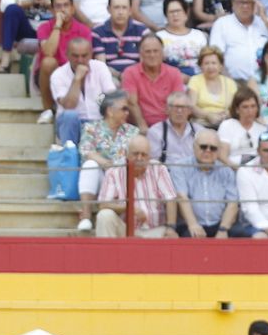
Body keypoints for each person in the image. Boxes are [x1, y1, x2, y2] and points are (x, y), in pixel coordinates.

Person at [74, 87, 138, 232]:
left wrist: (115, 168)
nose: (127, 113)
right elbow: (86, 150)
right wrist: (107, 164)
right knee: (90, 165)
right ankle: (86, 214)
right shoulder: (91, 128)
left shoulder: (132, 131)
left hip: (122, 179)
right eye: (124, 109)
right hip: (101, 177)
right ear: (110, 111)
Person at [94, 134, 179, 237]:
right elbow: (103, 204)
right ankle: (106, 253)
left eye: (144, 155)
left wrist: (170, 228)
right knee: (104, 215)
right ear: (126, 154)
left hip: (154, 231)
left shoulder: (159, 169)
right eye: (135, 154)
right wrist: (130, 208)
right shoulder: (114, 172)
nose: (139, 158)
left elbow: (171, 199)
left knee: (171, 236)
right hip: (124, 230)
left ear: (149, 157)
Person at [173, 129, 245, 237]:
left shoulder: (227, 171)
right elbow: (182, 197)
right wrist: (193, 225)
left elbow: (232, 203)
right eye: (203, 147)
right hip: (190, 224)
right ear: (194, 147)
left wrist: (223, 229)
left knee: (244, 238)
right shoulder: (180, 167)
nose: (208, 151)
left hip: (220, 224)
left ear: (218, 151)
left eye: (213, 148)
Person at [52, 34, 120, 147]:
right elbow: (69, 105)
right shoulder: (58, 75)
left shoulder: (100, 68)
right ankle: (70, 155)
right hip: (72, 124)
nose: (80, 60)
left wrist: (99, 101)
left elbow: (111, 97)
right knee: (70, 115)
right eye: (75, 56)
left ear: (91, 54)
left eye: (84, 56)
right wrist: (77, 79)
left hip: (98, 121)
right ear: (67, 55)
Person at [209, 0, 268, 82]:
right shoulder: (222, 24)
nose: (245, 6)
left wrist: (266, 20)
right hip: (234, 82)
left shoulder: (264, 23)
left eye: (249, 2)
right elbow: (216, 57)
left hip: (265, 83)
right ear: (233, 3)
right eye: (241, 2)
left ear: (255, 3)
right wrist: (230, 84)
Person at [122, 33, 186, 131]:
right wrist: (142, 126)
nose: (152, 55)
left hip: (168, 126)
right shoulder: (130, 73)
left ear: (162, 52)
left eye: (156, 51)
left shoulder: (174, 73)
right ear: (141, 53)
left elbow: (177, 103)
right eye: (148, 52)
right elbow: (132, 103)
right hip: (140, 127)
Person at [92, 0, 148, 76]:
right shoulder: (98, 32)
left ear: (130, 10)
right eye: (116, 7)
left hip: (136, 76)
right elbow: (101, 66)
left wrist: (130, 77)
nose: (120, 12)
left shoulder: (142, 31)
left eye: (124, 7)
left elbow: (145, 64)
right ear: (109, 9)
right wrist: (119, 75)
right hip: (109, 77)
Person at [155, 0, 207, 76]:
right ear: (166, 15)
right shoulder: (158, 37)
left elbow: (206, 61)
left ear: (186, 13)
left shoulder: (199, 35)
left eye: (178, 11)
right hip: (169, 80)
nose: (175, 15)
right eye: (171, 12)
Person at [186, 44, 235, 127]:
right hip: (201, 124)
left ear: (221, 66)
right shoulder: (195, 80)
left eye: (214, 63)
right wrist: (208, 115)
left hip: (225, 124)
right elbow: (191, 107)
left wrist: (228, 114)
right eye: (206, 63)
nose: (210, 67)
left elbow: (236, 107)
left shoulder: (230, 83)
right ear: (201, 66)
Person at [217, 87, 266, 168]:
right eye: (245, 107)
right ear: (237, 109)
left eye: (253, 106)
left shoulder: (263, 130)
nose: (250, 111)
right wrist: (239, 170)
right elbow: (222, 156)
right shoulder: (227, 125)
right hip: (232, 170)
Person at [149, 90, 198, 165]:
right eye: (175, 107)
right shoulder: (155, 132)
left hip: (193, 174)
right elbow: (153, 163)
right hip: (166, 174)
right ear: (167, 109)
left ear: (189, 111)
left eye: (183, 107)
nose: (179, 111)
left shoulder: (199, 131)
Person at [125, 0, 192, 33]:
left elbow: (186, 7)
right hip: (146, 31)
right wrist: (156, 28)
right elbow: (134, 11)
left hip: (177, 29)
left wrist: (176, 28)